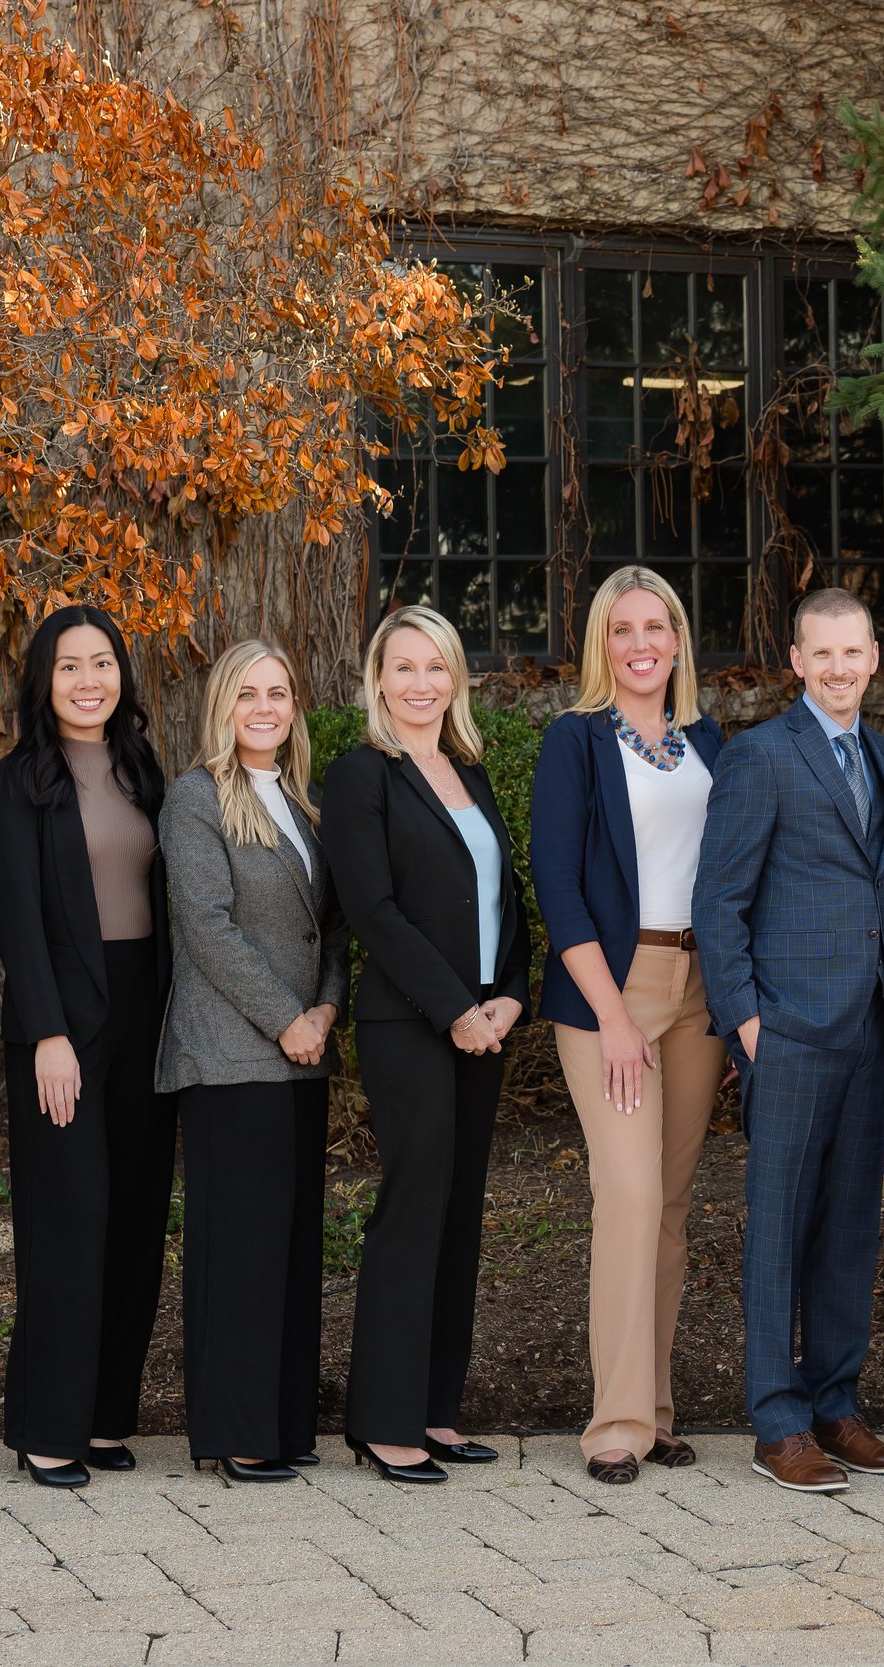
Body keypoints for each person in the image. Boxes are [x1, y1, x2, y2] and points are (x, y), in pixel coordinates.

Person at [693, 587, 884, 1494]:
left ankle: (835, 1401)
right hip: (787, 1029)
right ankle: (778, 1419)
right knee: (779, 1227)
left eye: (852, 652)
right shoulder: (761, 757)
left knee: (849, 1228)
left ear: (872, 656)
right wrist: (748, 1023)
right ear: (795, 659)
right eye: (820, 653)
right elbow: (719, 901)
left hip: (872, 1029)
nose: (838, 668)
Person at [322, 604, 532, 1486]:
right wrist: (455, 1009)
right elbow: (374, 911)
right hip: (411, 1023)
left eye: (436, 666)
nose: (420, 683)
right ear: (378, 680)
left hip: (487, 1024)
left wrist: (514, 994)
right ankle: (382, 1418)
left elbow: (505, 900)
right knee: (414, 1206)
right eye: (403, 667)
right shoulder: (361, 775)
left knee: (459, 1213)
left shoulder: (468, 772)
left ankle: (436, 1408)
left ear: (456, 679)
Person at [530, 567, 729, 1485]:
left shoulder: (708, 742)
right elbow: (559, 886)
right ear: (601, 645)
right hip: (610, 987)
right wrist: (611, 1014)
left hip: (700, 989)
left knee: (673, 1210)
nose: (641, 643)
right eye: (623, 629)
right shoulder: (574, 740)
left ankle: (654, 1410)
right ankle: (612, 1422)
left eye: (657, 626)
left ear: (679, 640)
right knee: (630, 1195)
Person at [0, 605, 175, 1488]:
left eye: (103, 663)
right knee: (70, 1217)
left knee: (136, 1214)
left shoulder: (143, 768)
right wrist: (49, 1032)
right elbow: (16, 920)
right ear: (43, 679)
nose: (89, 680)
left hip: (146, 1009)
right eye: (70, 667)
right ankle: (48, 1426)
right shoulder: (18, 779)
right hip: (63, 1016)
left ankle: (102, 1417)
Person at [155, 639, 346, 1484]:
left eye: (278, 692)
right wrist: (285, 1020)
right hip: (231, 1053)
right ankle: (235, 1432)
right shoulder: (195, 800)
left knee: (295, 1242)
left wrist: (327, 1009)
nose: (265, 708)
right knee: (240, 1244)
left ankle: (283, 1421)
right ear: (222, 707)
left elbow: (332, 925)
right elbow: (208, 927)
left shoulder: (308, 802)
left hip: (306, 1050)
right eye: (247, 694)